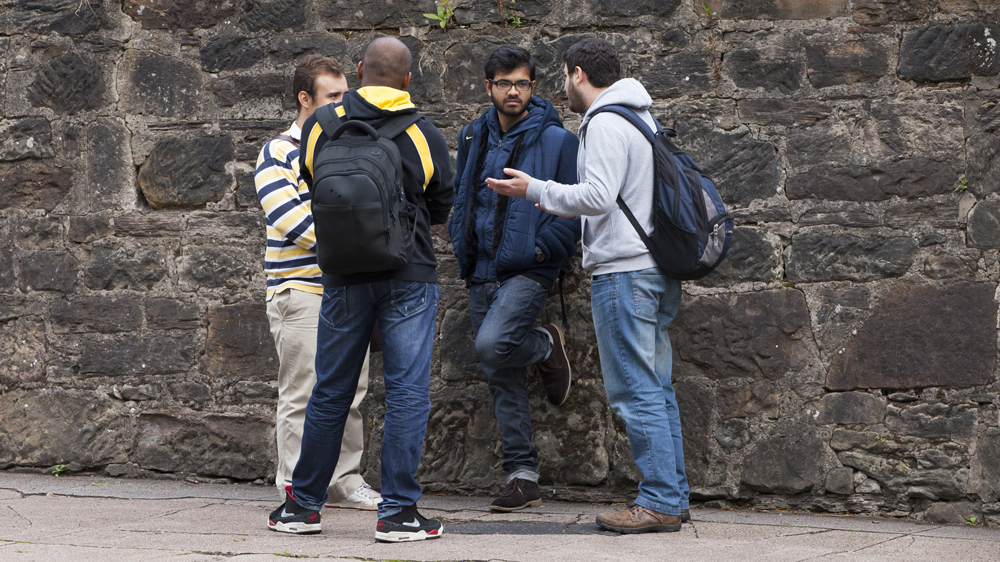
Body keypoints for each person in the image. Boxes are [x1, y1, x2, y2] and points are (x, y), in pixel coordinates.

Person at [487, 38, 691, 534]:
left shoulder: (603, 120)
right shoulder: (642, 117)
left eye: (562, 77)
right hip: (656, 270)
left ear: (578, 74)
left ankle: (660, 500)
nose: (563, 87)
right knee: (657, 387)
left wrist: (533, 189)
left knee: (636, 391)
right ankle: (673, 494)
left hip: (624, 272)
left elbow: (598, 196)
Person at [267, 37, 454, 543]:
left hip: (342, 276)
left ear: (359, 71)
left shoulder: (323, 127)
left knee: (330, 389)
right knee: (407, 392)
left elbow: (315, 184)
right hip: (407, 275)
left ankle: (302, 506)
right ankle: (398, 515)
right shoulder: (422, 134)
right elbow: (442, 204)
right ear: (409, 80)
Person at [448, 45, 580, 512]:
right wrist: (458, 238)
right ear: (489, 87)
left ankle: (544, 344)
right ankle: (522, 476)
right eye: (504, 83)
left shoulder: (559, 141)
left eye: (522, 83)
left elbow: (572, 209)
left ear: (533, 87)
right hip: (480, 269)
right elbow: (463, 196)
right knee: (501, 376)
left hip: (529, 268)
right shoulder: (471, 137)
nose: (513, 91)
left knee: (491, 345)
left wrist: (542, 249)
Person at [254, 54, 382, 512]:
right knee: (303, 392)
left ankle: (344, 481)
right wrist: (360, 240)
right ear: (305, 98)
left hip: (347, 290)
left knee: (352, 392)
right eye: (333, 96)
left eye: (346, 94)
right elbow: (297, 226)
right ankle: (293, 483)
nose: (342, 103)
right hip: (301, 291)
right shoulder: (277, 153)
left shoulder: (345, 148)